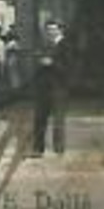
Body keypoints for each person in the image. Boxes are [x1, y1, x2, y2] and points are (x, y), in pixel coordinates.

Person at [30, 20, 71, 156]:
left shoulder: (67, 45)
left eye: (53, 30)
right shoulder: (44, 45)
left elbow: (71, 66)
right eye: (48, 30)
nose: (50, 32)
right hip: (43, 87)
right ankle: (37, 148)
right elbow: (36, 62)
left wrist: (52, 63)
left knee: (58, 119)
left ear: (60, 30)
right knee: (39, 118)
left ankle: (59, 148)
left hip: (59, 87)